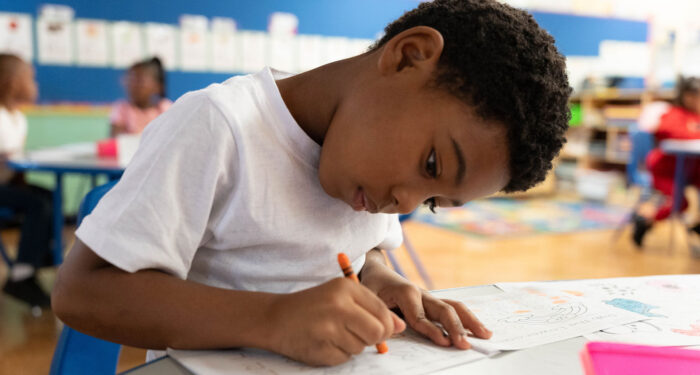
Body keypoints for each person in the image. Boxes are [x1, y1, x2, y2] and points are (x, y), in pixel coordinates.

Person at [52, 0, 570, 366]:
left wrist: (384, 281)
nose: (406, 200)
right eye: (432, 164)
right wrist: (273, 318)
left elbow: (360, 253)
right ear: (408, 56)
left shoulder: (374, 169)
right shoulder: (220, 127)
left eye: (434, 201)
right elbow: (81, 292)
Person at [0, 54, 52, 308]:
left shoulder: (18, 118)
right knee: (38, 204)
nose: (35, 84)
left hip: (7, 184)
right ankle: (22, 274)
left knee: (47, 196)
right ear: (11, 83)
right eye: (29, 77)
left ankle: (35, 261)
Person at [633, 77, 700, 247]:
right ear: (683, 96)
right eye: (691, 95)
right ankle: (644, 220)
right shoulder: (672, 113)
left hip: (691, 169)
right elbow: (667, 131)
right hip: (665, 169)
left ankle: (697, 226)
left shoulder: (696, 116)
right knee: (681, 203)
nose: (695, 99)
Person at [110, 57, 171, 136]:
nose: (133, 85)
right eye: (130, 80)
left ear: (157, 86)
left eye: (140, 81)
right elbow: (115, 141)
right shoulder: (122, 109)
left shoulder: (164, 108)